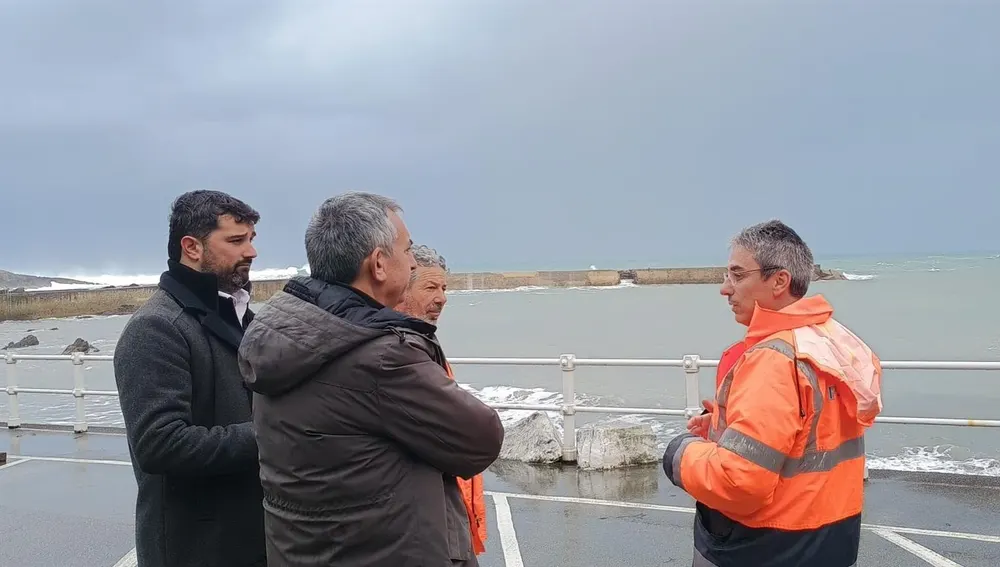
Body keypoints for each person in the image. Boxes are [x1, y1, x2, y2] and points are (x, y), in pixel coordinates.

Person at [239, 191, 504, 566]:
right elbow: (481, 439)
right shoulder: (381, 357)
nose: (412, 262)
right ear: (379, 264)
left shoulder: (289, 337)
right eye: (407, 250)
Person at [663, 220, 883, 567]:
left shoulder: (773, 358)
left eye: (737, 274)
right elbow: (810, 437)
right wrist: (724, 428)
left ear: (779, 280)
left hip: (764, 548)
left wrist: (679, 453)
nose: (725, 288)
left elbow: (739, 483)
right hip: (832, 541)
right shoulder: (832, 341)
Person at [113, 190, 265, 567]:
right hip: (196, 548)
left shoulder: (238, 314)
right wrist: (273, 435)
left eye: (251, 239)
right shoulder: (156, 327)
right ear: (191, 247)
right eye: (235, 240)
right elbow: (160, 444)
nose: (251, 251)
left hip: (250, 537)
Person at [395, 244, 489, 556]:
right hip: (424, 525)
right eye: (431, 287)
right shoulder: (398, 352)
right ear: (399, 287)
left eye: (445, 287)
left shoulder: (423, 344)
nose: (442, 298)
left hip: (448, 514)